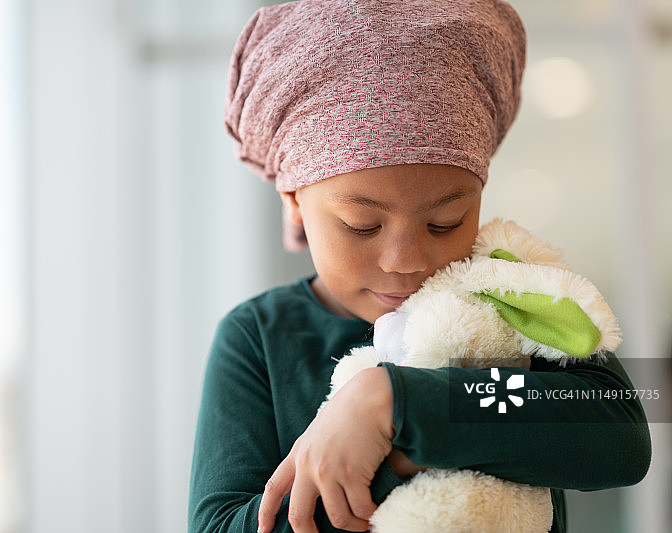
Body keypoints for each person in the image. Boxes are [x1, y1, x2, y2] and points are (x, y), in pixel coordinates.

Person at [188, 1, 651, 532]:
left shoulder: (506, 297)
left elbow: (614, 429)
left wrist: (396, 405)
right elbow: (219, 524)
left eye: (446, 222)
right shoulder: (260, 338)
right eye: (362, 225)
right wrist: (390, 457)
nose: (406, 262)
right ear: (294, 201)